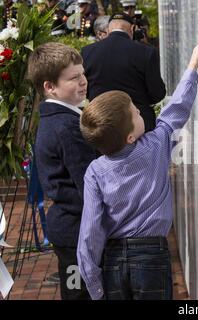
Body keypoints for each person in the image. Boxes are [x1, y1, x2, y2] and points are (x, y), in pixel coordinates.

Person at [77, 33, 198, 300]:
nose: (140, 111)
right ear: (130, 136)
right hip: (151, 258)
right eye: (136, 112)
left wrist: (95, 286)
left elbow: (89, 233)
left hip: (112, 260)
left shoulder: (95, 171)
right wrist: (193, 67)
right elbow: (176, 109)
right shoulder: (155, 146)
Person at [27, 42, 97, 300]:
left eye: (83, 74)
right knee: (79, 293)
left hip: (71, 228)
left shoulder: (60, 119)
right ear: (50, 87)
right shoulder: (66, 126)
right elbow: (88, 183)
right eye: (73, 78)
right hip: (76, 231)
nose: (83, 82)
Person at [81, 13, 166, 132]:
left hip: (101, 123)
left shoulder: (87, 52)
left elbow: (85, 88)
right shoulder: (146, 52)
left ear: (108, 29)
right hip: (138, 124)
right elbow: (157, 93)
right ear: (132, 29)